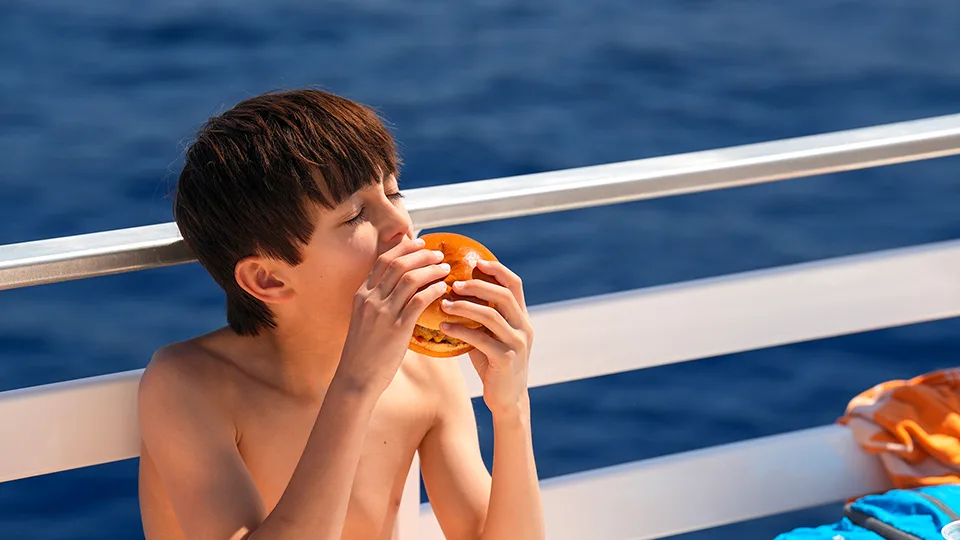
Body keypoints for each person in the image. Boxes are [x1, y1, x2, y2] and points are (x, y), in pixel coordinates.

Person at [136, 88, 545, 540]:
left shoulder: (423, 371)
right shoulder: (190, 386)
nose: (401, 226)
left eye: (394, 192)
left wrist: (511, 409)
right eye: (355, 216)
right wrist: (354, 387)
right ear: (269, 279)